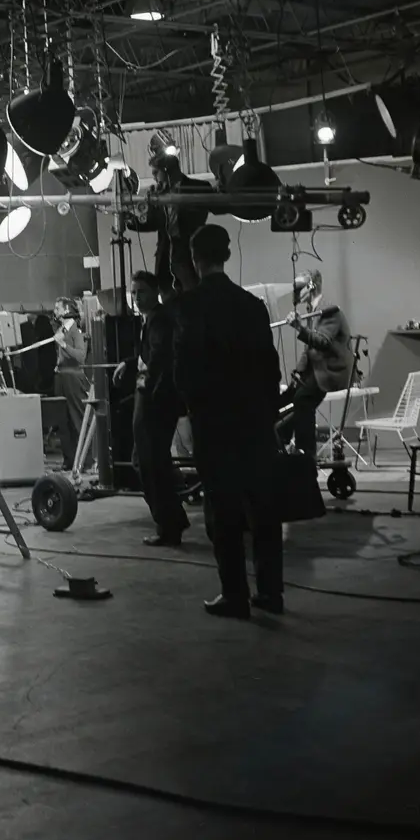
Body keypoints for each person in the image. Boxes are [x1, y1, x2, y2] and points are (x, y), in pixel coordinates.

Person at [173, 224, 285, 618]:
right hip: (254, 422)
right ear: (227, 255)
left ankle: (235, 595)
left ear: (195, 259)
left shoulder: (190, 306)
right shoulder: (252, 306)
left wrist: (190, 408)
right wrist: (268, 413)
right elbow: (270, 366)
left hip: (214, 422)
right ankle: (271, 593)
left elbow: (184, 368)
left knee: (223, 511)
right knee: (263, 510)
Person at [114, 271, 189, 545]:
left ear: (155, 291)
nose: (136, 298)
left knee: (150, 463)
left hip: (155, 401)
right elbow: (149, 354)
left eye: (141, 292)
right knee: (150, 461)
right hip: (154, 398)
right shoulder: (152, 319)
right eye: (133, 293)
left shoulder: (159, 319)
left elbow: (159, 356)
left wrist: (145, 383)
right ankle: (172, 520)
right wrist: (129, 363)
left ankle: (169, 525)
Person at [276, 269, 353, 457]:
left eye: (299, 287)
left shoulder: (329, 311)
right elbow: (309, 349)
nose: (295, 292)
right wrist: (298, 372)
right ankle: (281, 445)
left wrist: (300, 328)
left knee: (303, 400)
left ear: (311, 286)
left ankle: (306, 454)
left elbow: (323, 342)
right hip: (316, 369)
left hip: (330, 371)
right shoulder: (312, 310)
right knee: (285, 399)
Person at [148, 152, 209, 299]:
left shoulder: (198, 187)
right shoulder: (158, 193)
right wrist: (149, 207)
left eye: (156, 173)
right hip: (165, 252)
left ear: (167, 170)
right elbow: (152, 223)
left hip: (188, 250)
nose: (154, 177)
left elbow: (199, 216)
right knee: (167, 298)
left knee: (193, 295)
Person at [52, 297, 91, 471]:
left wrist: (63, 345)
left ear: (66, 310)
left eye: (58, 308)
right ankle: (69, 460)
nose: (55, 311)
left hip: (73, 379)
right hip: (61, 377)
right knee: (63, 420)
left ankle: (86, 460)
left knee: (77, 418)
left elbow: (81, 357)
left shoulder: (75, 331)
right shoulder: (61, 330)